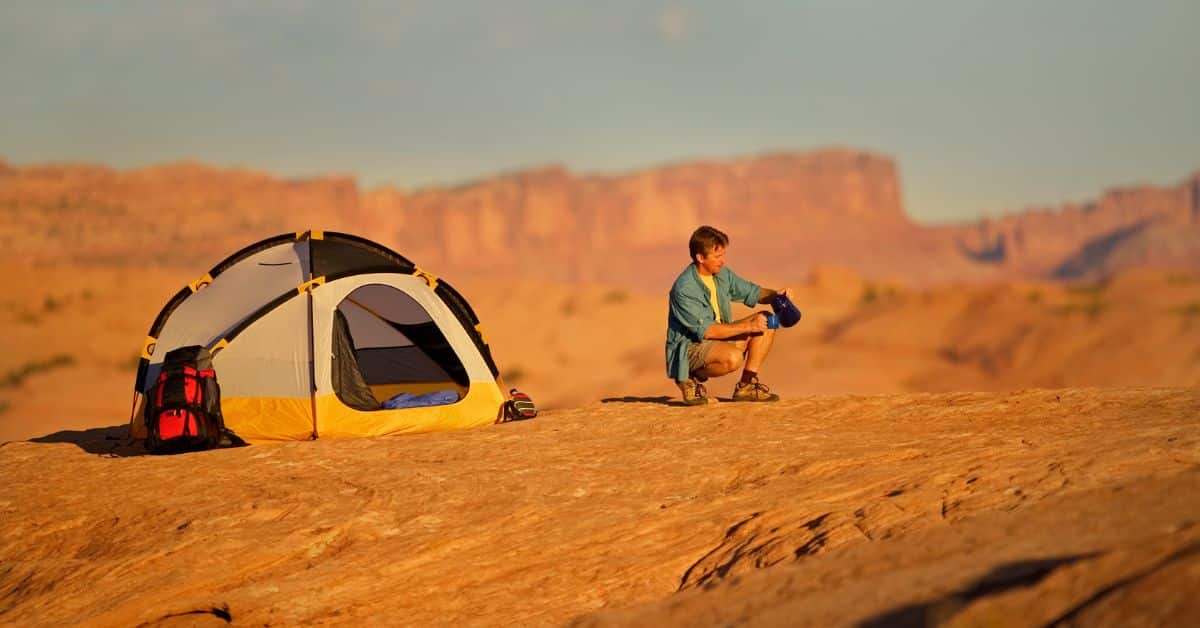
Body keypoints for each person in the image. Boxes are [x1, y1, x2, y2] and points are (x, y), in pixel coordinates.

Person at [666, 225, 791, 405]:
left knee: (767, 321)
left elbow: (752, 292)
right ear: (700, 257)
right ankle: (689, 377)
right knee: (733, 358)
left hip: (717, 339)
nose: (722, 261)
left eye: (723, 255)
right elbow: (708, 331)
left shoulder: (721, 274)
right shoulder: (684, 289)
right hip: (691, 349)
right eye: (717, 256)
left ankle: (746, 387)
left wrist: (775, 296)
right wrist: (749, 326)